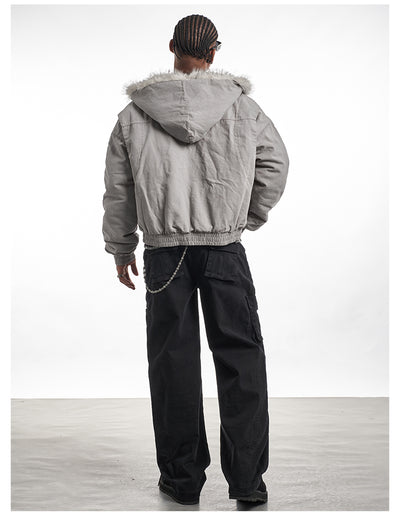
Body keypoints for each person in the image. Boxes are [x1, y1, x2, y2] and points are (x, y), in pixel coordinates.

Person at [102, 13, 289, 506]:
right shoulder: (243, 108)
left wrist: (121, 246)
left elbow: (118, 189)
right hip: (225, 249)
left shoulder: (133, 115)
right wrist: (246, 216)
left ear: (172, 47)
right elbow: (275, 164)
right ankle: (247, 483)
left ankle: (182, 483)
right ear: (214, 51)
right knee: (241, 361)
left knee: (173, 366)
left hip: (165, 256)